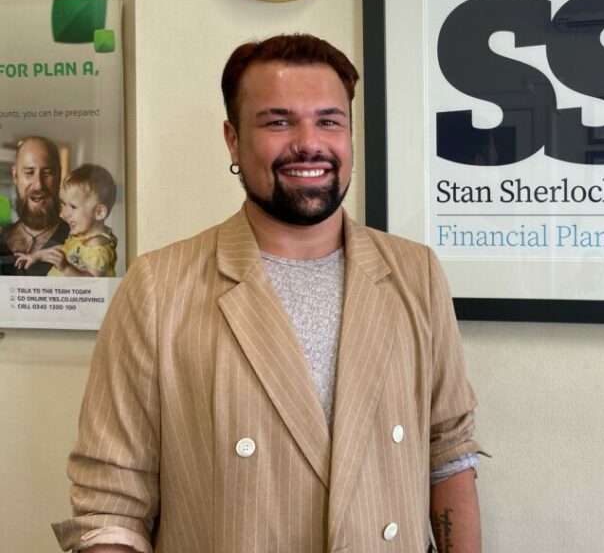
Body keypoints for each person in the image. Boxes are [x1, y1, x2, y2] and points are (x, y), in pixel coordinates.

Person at [52, 34, 484, 553]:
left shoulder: (415, 273)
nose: (309, 143)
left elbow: (448, 452)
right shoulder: (158, 288)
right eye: (278, 122)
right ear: (233, 141)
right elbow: (111, 504)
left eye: (329, 121)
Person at [15, 163, 118, 277]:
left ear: (99, 212)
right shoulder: (81, 238)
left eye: (73, 207)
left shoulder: (96, 244)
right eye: (64, 205)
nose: (64, 214)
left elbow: (93, 283)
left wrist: (66, 268)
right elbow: (61, 252)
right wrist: (36, 256)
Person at [0, 135, 70, 275]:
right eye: (29, 172)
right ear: (15, 176)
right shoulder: (2, 237)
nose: (38, 184)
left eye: (47, 173)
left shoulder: (79, 242)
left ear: (59, 176)